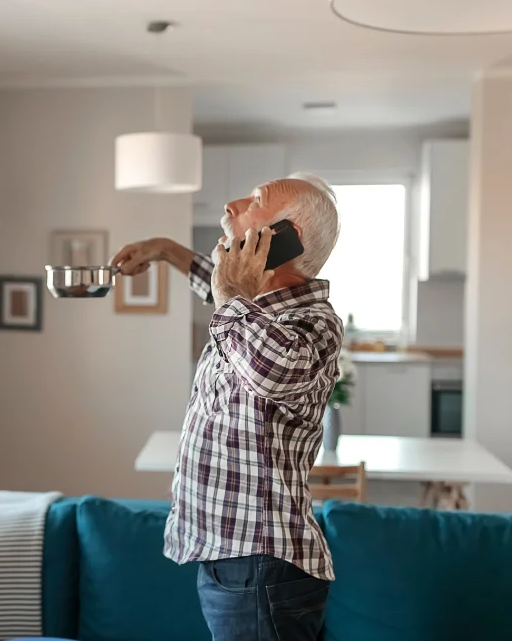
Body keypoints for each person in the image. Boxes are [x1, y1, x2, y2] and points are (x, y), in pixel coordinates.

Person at [112, 173, 343, 641]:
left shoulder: (313, 321)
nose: (231, 205)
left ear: (283, 240)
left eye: (255, 201)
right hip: (240, 564)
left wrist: (232, 296)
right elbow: (224, 293)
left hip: (260, 568)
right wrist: (164, 249)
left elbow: (269, 369)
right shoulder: (253, 311)